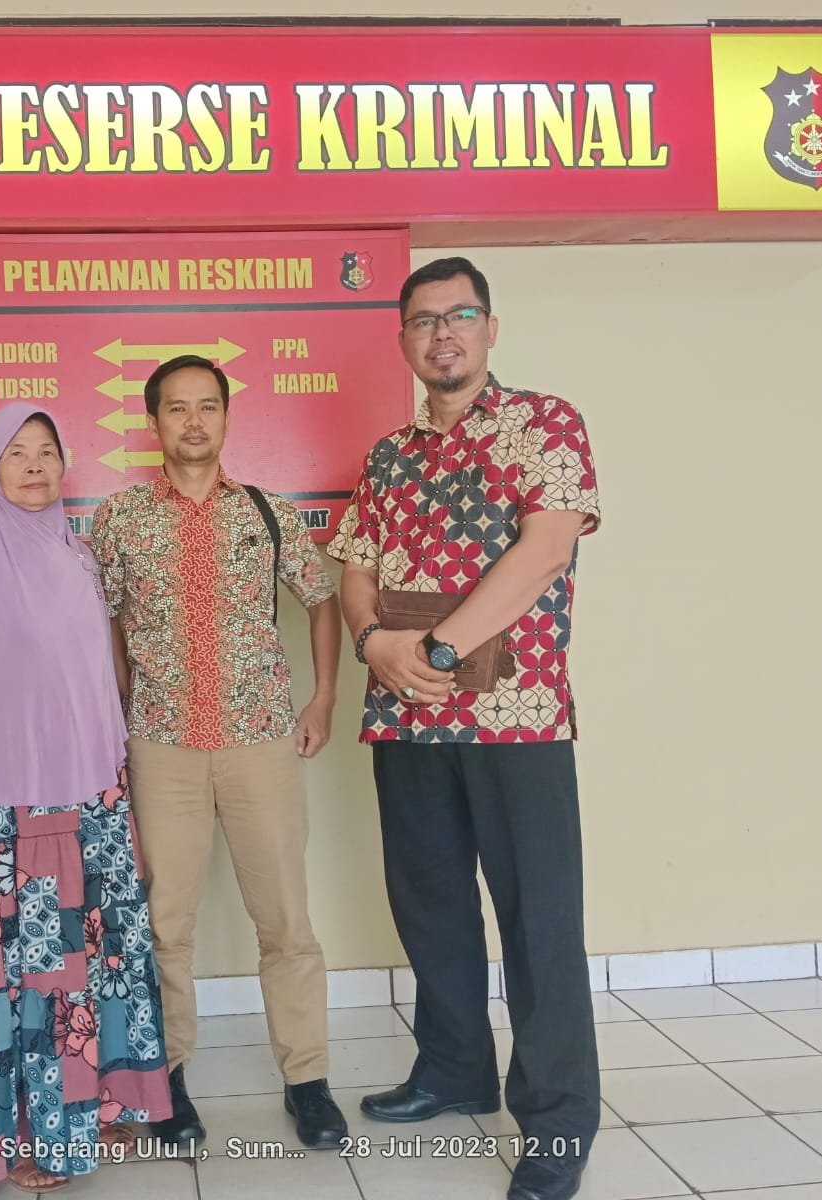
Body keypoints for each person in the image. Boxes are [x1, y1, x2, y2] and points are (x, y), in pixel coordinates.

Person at [327, 258, 602, 1200]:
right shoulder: (388, 456)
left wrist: (438, 649)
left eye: (459, 315)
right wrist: (373, 644)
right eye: (422, 320)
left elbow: (546, 547)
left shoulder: (544, 423)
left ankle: (557, 1122)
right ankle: (452, 1070)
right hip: (403, 717)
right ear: (403, 339)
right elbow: (354, 568)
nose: (441, 333)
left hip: (514, 717)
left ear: (489, 328)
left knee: (538, 921)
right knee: (430, 907)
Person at [0, 403, 171, 1194]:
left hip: (93, 802)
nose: (33, 465)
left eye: (46, 451)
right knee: (23, 983)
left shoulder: (77, 556)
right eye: (16, 452)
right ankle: (24, 1135)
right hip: (9, 812)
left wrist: (121, 800)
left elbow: (95, 684)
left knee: (97, 968)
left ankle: (91, 1113)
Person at [88, 354, 348, 1150]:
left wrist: (322, 698)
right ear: (153, 422)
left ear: (226, 417)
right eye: (177, 408)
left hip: (257, 740)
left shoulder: (265, 514)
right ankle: (165, 1080)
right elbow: (104, 623)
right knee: (164, 925)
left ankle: (307, 1080)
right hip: (160, 746)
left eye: (207, 406)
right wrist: (116, 720)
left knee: (286, 921)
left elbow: (322, 599)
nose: (193, 421)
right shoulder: (120, 518)